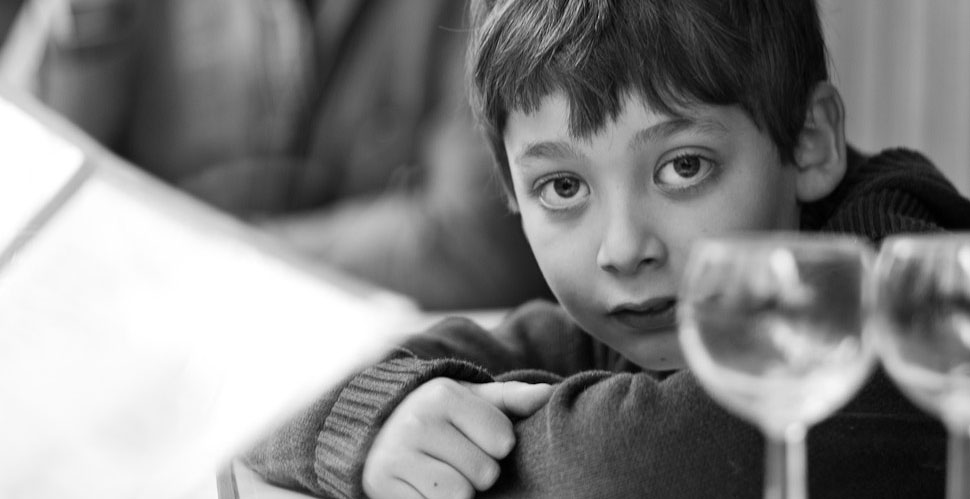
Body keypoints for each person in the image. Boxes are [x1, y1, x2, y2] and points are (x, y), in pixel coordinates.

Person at [242, 0, 970, 498]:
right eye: (562, 186)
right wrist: (378, 421)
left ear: (810, 141)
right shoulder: (635, 324)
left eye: (684, 167)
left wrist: (449, 462)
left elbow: (638, 470)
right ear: (511, 191)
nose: (623, 248)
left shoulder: (906, 306)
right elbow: (255, 398)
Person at [28, 0, 549, 311]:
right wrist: (89, 36)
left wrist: (196, 265)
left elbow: (477, 247)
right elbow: (30, 223)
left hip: (376, 374)